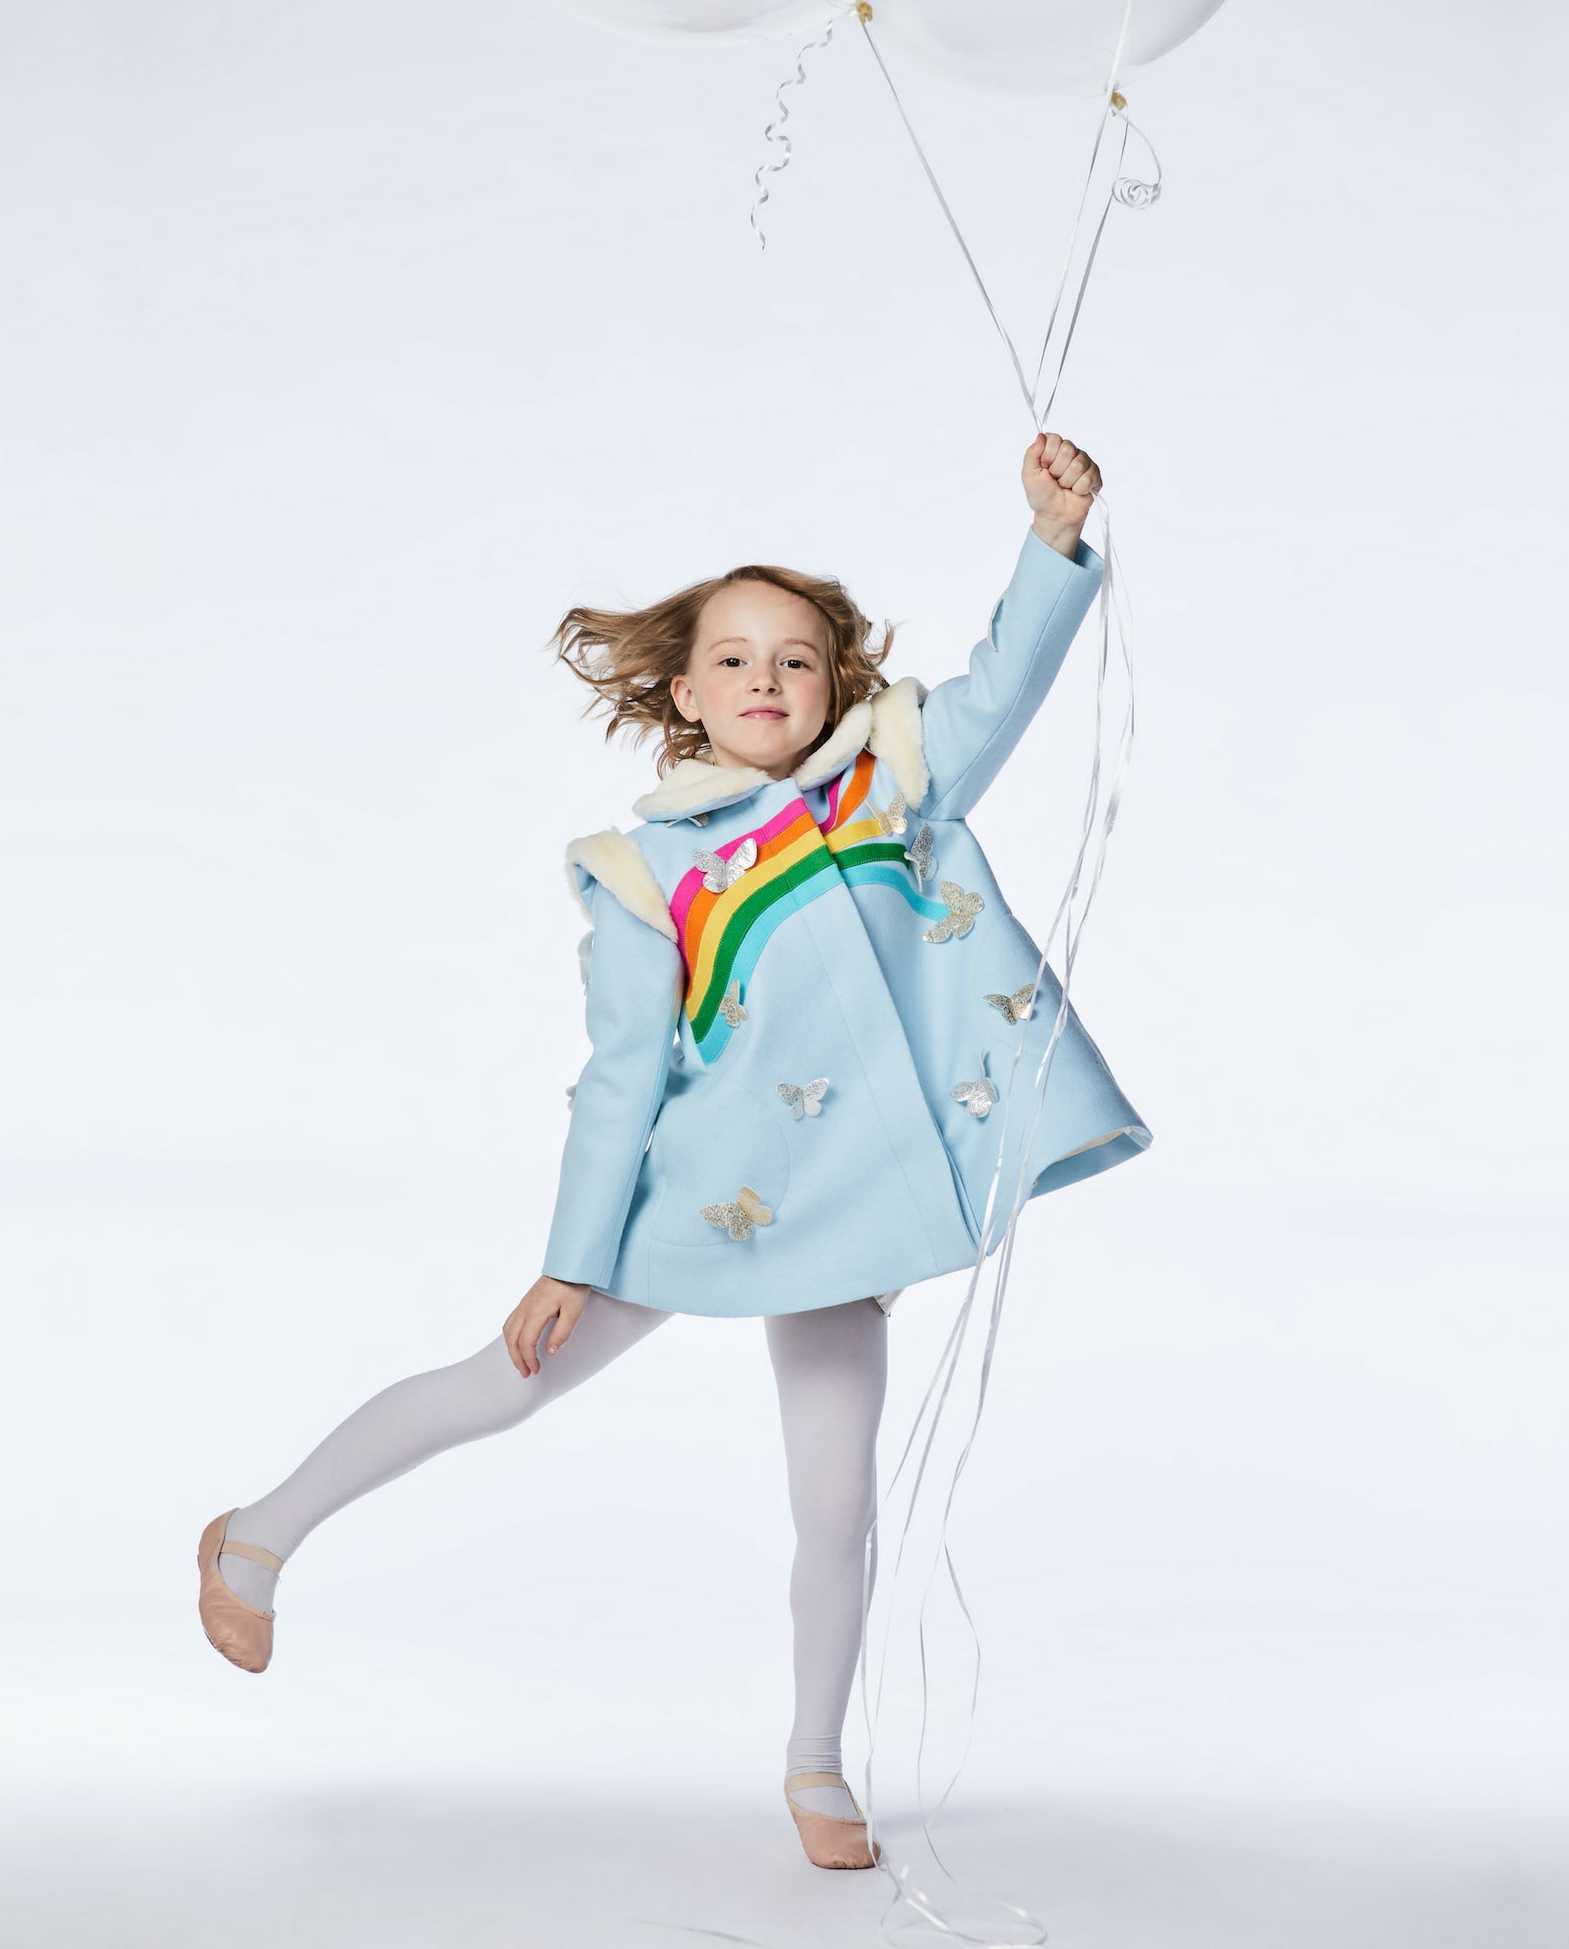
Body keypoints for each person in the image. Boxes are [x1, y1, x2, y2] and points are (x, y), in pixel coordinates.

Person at [195, 432, 1149, 1871]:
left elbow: (1006, 677)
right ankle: (254, 1539)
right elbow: (621, 1076)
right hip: (698, 1198)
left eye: (798, 659)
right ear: (686, 692)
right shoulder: (650, 872)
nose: (768, 679)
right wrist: (570, 1260)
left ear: (838, 681)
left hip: (850, 1212)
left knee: (837, 1500)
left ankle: (817, 1764)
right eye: (735, 659)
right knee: (503, 1386)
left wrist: (1052, 539)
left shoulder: (893, 785)